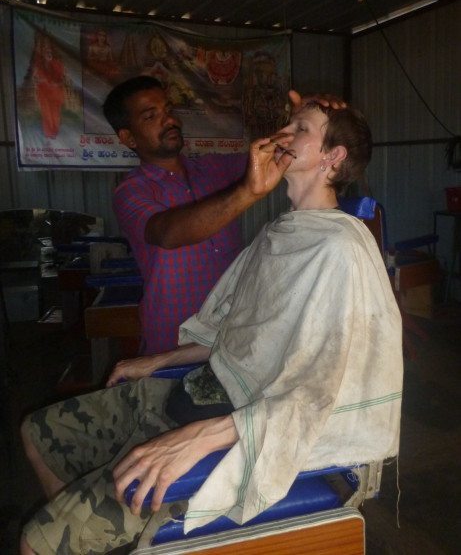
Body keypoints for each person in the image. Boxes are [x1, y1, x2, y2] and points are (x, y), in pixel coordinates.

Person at [20, 98, 403, 554]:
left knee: (35, 542)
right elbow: (246, 337)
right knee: (37, 433)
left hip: (236, 426)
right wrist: (160, 359)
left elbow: (318, 391)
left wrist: (199, 437)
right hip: (199, 389)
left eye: (300, 128)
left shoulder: (339, 249)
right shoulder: (283, 233)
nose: (284, 132)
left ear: (332, 157)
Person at [104, 75, 295, 355]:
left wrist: (307, 119)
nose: (169, 120)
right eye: (150, 115)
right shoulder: (131, 192)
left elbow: (274, 154)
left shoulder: (213, 168)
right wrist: (247, 193)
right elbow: (168, 233)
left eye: (168, 110)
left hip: (230, 332)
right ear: (128, 137)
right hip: (173, 341)